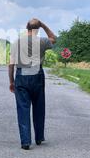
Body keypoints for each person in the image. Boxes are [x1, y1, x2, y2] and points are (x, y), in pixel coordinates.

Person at [8, 19, 57, 150]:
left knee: (23, 109)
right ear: (38, 28)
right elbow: (53, 38)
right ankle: (39, 137)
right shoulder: (42, 41)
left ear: (26, 27)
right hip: (37, 75)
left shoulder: (16, 42)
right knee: (39, 107)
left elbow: (11, 64)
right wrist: (44, 25)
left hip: (21, 75)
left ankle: (25, 141)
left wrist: (11, 81)